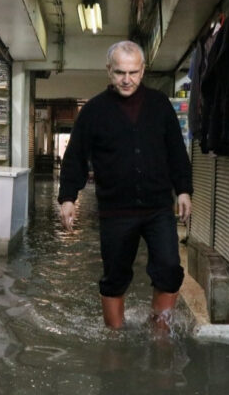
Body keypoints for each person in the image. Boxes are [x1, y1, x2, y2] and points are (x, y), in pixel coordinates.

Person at [58, 40, 193, 330]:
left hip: (158, 207)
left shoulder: (160, 106)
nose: (127, 79)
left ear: (143, 70)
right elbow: (75, 156)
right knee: (115, 275)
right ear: (109, 71)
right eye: (120, 72)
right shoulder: (94, 111)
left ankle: (160, 331)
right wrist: (68, 197)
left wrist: (184, 190)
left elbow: (177, 152)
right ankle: (115, 337)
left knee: (169, 267)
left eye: (133, 72)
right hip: (115, 210)